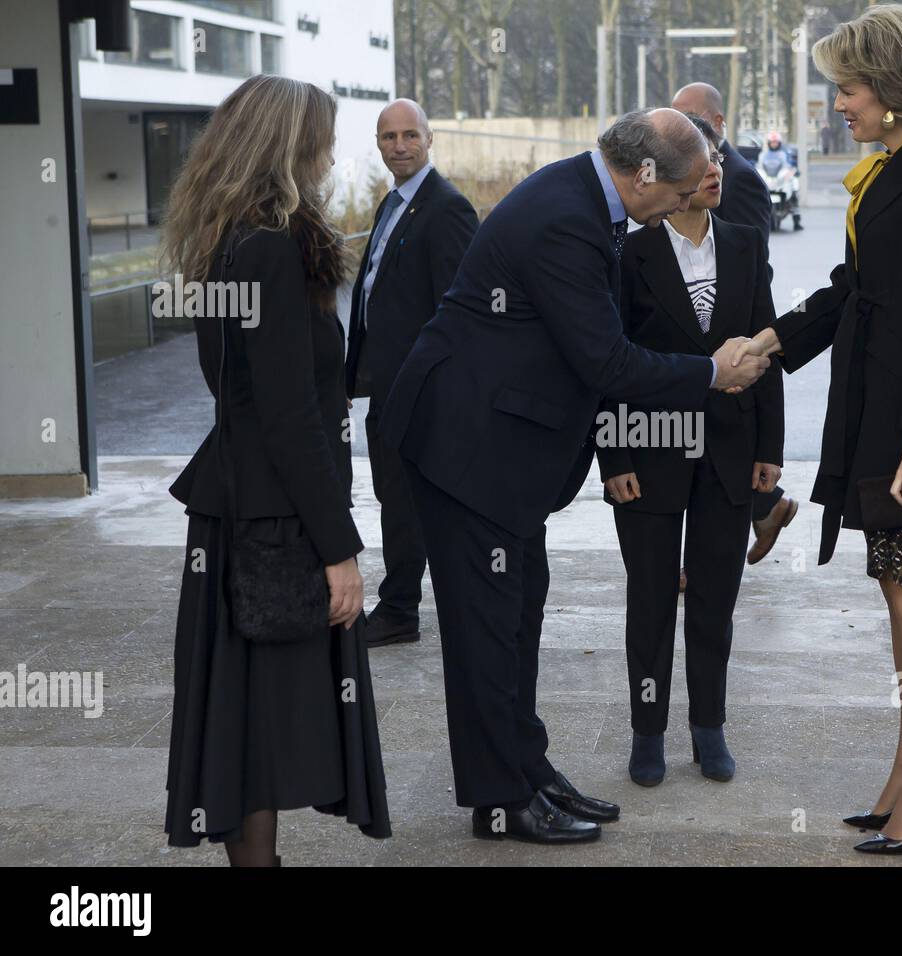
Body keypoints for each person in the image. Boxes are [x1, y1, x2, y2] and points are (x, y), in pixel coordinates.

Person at [379, 108, 771, 845]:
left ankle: (528, 772)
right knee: (488, 629)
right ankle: (501, 801)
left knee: (519, 610)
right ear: (644, 174)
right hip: (466, 446)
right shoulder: (567, 218)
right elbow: (605, 359)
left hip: (501, 452)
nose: (684, 203)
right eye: (681, 191)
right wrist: (711, 372)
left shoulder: (588, 201)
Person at [741, 4, 902, 856]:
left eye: (848, 90)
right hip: (889, 408)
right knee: (898, 587)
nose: (839, 106)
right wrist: (775, 340)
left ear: (891, 90)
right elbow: (855, 287)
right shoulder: (901, 164)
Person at [161, 75, 391, 865]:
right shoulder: (271, 251)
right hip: (275, 523)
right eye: (322, 140)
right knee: (259, 726)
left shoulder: (230, 241)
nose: (331, 154)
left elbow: (247, 393)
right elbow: (289, 417)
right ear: (291, 148)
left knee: (244, 723)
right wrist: (339, 547)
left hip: (240, 508)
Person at [599, 115, 784, 788]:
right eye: (700, 162)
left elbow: (769, 348)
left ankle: (710, 730)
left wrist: (772, 449)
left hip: (730, 450)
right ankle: (648, 733)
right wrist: (612, 456)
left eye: (720, 161)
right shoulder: (628, 251)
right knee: (649, 600)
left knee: (714, 598)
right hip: (647, 452)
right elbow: (607, 360)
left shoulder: (744, 243)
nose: (714, 172)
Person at [344, 99, 478, 649]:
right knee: (393, 496)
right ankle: (402, 603)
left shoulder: (445, 208)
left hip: (420, 392)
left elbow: (461, 309)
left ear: (429, 139)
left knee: (407, 502)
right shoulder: (394, 204)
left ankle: (400, 609)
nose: (398, 145)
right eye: (388, 137)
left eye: (408, 136)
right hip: (389, 385)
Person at [671, 82, 799, 568]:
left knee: (719, 453)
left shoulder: (738, 180)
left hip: (730, 343)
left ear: (718, 124)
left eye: (689, 117)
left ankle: (758, 511)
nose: (678, 126)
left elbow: (749, 260)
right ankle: (766, 508)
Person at [758, 130, 804, 231]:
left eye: (776, 142)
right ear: (769, 143)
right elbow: (759, 166)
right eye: (772, 142)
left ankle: (797, 221)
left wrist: (792, 170)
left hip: (781, 179)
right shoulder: (763, 155)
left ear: (779, 143)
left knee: (794, 187)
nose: (774, 144)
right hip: (768, 179)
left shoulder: (785, 153)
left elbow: (791, 164)